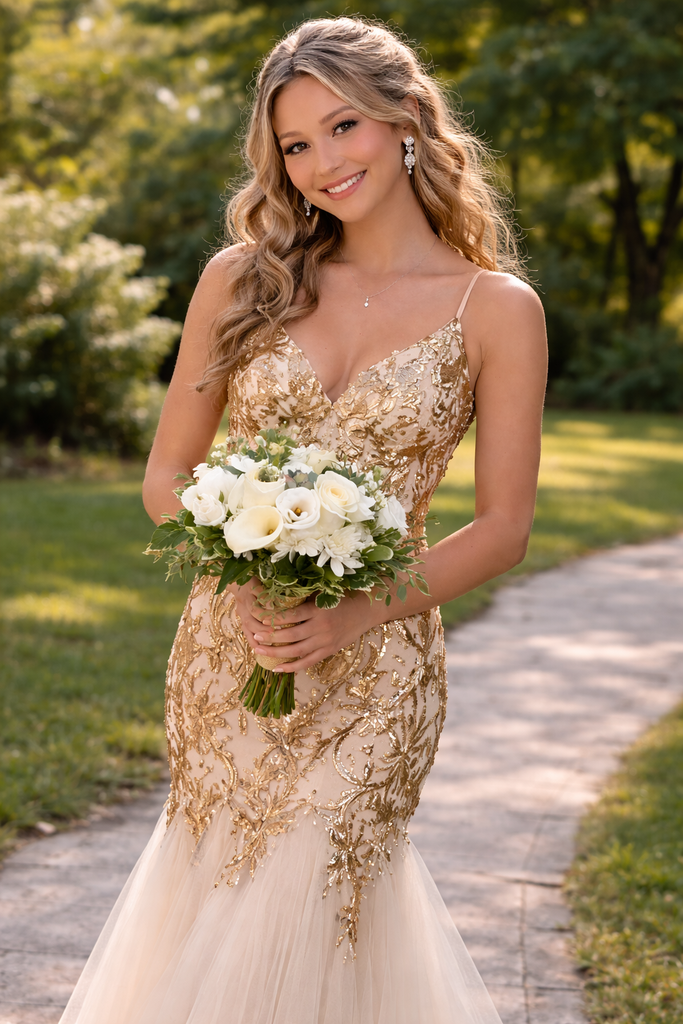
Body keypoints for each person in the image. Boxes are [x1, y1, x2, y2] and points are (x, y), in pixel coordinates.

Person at [60, 16, 547, 1024]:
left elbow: (502, 527)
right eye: (294, 144)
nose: (322, 162)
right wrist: (236, 575)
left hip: (377, 663)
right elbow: (168, 473)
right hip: (227, 645)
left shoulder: (494, 309)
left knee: (311, 890)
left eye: (342, 127)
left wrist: (350, 615)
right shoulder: (241, 280)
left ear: (405, 119)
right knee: (226, 897)